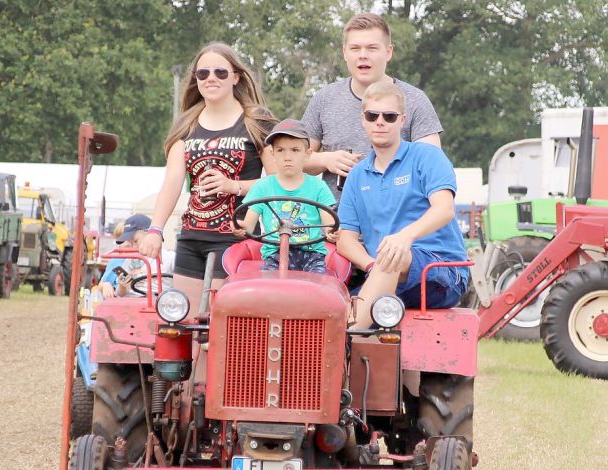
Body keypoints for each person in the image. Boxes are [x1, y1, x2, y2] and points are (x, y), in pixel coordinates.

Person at [139, 42, 276, 317]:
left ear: (236, 77)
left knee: (219, 325)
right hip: (191, 238)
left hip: (236, 239)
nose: (211, 78)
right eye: (203, 74)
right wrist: (155, 229)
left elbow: (278, 181)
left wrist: (233, 186)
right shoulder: (187, 124)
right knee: (184, 321)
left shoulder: (255, 122)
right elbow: (173, 181)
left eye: (220, 72)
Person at [336, 82, 468, 329]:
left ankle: (349, 341)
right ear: (363, 120)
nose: (380, 121)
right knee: (327, 301)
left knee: (392, 254)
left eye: (389, 116)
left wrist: (404, 237)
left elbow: (444, 209)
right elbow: (345, 240)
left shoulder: (426, 156)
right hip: (384, 273)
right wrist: (371, 265)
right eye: (372, 115)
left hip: (440, 272)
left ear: (402, 120)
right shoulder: (357, 175)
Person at [301, 12, 443, 200]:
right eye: (355, 48)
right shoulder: (323, 99)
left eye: (371, 48)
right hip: (337, 220)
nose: (363, 55)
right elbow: (294, 158)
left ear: (388, 52)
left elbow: (432, 165)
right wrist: (326, 159)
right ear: (344, 52)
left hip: (398, 219)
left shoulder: (415, 100)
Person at [232, 119, 337, 273]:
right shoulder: (262, 187)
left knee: (319, 287)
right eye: (281, 150)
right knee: (268, 289)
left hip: (312, 254)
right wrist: (240, 228)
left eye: (295, 150)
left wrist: (332, 232)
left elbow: (328, 225)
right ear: (272, 154)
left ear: (307, 154)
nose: (288, 157)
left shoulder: (318, 187)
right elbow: (248, 225)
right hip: (275, 253)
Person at [99, 214, 175, 298]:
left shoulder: (170, 257)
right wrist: (122, 286)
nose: (133, 246)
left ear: (149, 234)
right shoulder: (130, 260)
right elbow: (121, 294)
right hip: (133, 302)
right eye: (130, 243)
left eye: (135, 241)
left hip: (160, 303)